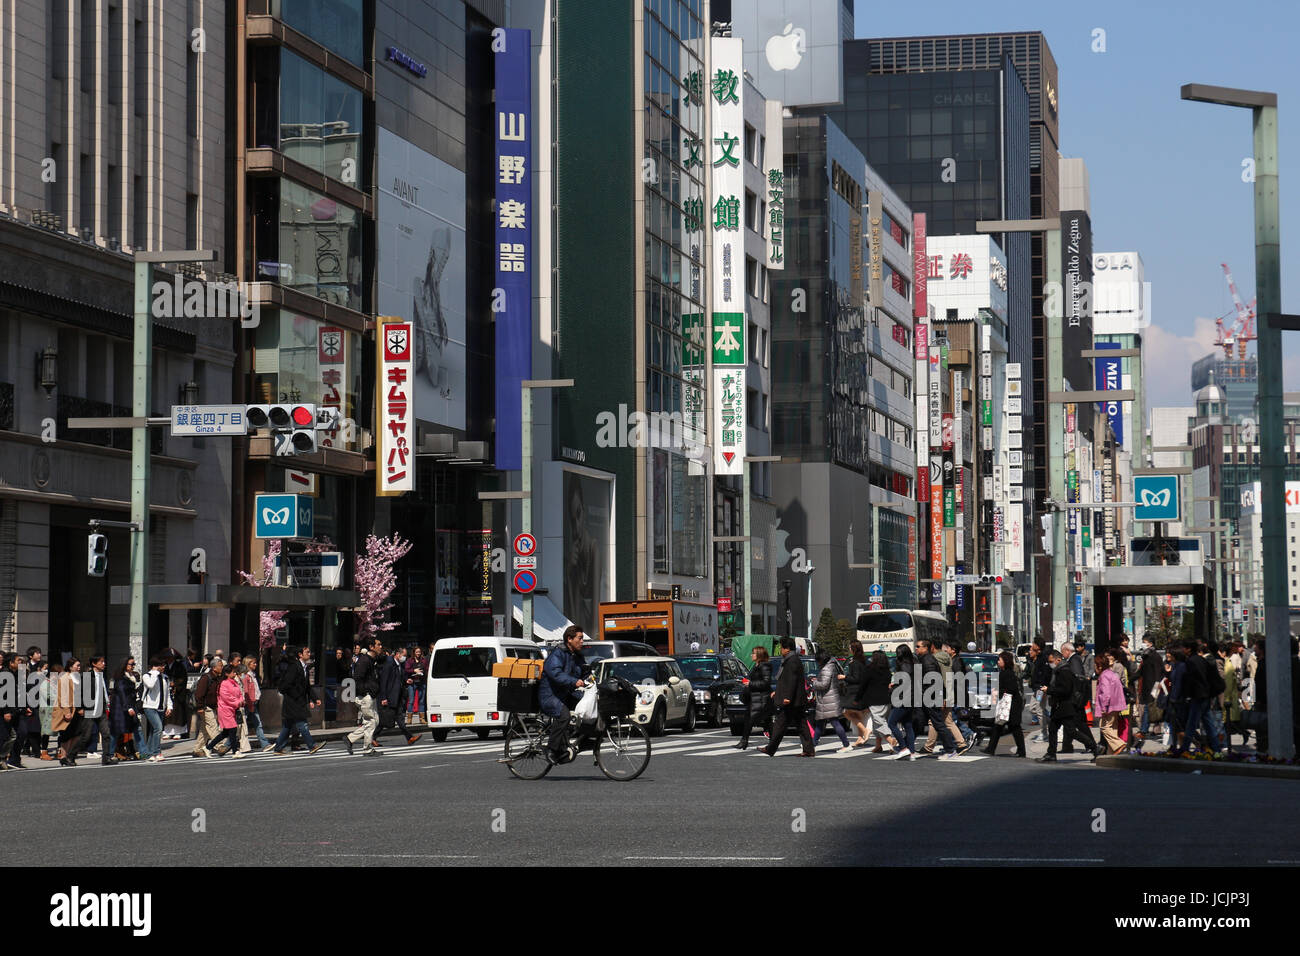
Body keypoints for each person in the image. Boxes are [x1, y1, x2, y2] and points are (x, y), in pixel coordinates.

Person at [539, 625, 589, 763]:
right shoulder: (558, 654)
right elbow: (556, 673)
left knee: (589, 706)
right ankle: (551, 749)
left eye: (582, 638)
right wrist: (574, 681)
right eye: (579, 638)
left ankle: (585, 740)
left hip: (565, 694)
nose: (582, 641)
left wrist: (591, 678)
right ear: (569, 639)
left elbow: (584, 672)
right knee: (564, 716)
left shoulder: (577, 655)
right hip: (550, 695)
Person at [1038, 650, 1098, 762]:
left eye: (1051, 661)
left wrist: (1049, 690)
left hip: (1065, 706)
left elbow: (1065, 690)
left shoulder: (1064, 671)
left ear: (1058, 660)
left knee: (1071, 731)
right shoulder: (1058, 670)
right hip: (1059, 706)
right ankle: (1051, 753)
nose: (1050, 664)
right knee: (1053, 729)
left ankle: (1095, 747)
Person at [762, 637, 814, 757]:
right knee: (801, 724)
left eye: (781, 647)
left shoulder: (791, 661)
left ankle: (770, 748)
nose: (780, 650)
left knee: (780, 724)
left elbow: (791, 681)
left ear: (787, 649)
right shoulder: (792, 659)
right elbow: (786, 680)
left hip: (792, 700)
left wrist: (787, 697)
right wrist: (778, 692)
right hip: (796, 699)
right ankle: (808, 750)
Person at [270, 646, 327, 756]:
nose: (309, 654)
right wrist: (295, 695)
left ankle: (278, 748)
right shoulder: (294, 667)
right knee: (302, 723)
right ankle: (312, 746)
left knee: (287, 726)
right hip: (293, 701)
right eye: (307, 652)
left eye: (309, 652)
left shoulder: (305, 668)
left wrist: (315, 698)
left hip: (297, 700)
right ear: (300, 655)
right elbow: (287, 684)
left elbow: (307, 687)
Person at [983, 651, 1025, 757]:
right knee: (999, 725)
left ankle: (1021, 751)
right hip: (1009, 703)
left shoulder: (1007, 673)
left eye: (1000, 660)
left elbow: (1011, 689)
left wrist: (998, 692)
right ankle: (991, 748)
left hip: (1012, 704)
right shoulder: (1005, 672)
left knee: (1014, 727)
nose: (998, 662)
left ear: (1005, 661)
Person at [377, 644, 421, 745]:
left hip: (397, 696)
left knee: (398, 718)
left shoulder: (399, 664)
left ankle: (409, 738)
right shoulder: (389, 663)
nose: (404, 657)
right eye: (403, 655)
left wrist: (406, 680)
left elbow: (401, 677)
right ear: (398, 654)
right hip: (390, 696)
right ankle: (373, 737)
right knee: (386, 720)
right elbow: (384, 681)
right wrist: (384, 697)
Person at [346, 638, 382, 756]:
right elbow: (357, 678)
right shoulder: (364, 660)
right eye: (378, 644)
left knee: (374, 721)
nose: (380, 647)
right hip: (365, 696)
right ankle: (367, 749)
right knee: (371, 722)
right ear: (371, 647)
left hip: (370, 695)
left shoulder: (372, 660)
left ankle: (350, 738)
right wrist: (366, 693)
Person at [809, 651, 850, 751]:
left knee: (834, 722)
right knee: (820, 723)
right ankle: (813, 743)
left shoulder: (826, 668)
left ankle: (846, 744)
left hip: (828, 699)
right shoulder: (832, 665)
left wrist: (814, 683)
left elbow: (824, 684)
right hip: (830, 698)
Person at [79, 656, 116, 766]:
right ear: (94, 664)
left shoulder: (102, 675)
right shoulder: (87, 676)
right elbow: (79, 693)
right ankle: (70, 756)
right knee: (86, 736)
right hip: (90, 709)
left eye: (104, 661)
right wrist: (80, 708)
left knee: (106, 734)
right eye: (101, 662)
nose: (104, 664)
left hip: (102, 709)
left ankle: (106, 758)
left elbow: (104, 690)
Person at [734, 646, 772, 750]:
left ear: (759, 655)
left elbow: (766, 682)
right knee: (764, 721)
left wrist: (750, 683)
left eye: (754, 653)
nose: (751, 655)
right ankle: (745, 741)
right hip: (755, 698)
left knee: (752, 720)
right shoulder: (756, 666)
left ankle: (744, 741)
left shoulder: (764, 666)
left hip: (761, 699)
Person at [887, 644, 920, 760]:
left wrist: (893, 688)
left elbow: (903, 684)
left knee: (891, 723)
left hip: (903, 698)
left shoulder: (904, 666)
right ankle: (911, 752)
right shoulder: (914, 663)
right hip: (912, 698)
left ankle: (903, 747)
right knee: (908, 725)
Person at [52, 658, 85, 766]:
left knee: (76, 733)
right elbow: (63, 696)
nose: (79, 667)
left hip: (76, 709)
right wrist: (67, 711)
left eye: (79, 665)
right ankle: (64, 756)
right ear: (70, 667)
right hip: (67, 710)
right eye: (77, 665)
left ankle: (69, 755)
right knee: (67, 734)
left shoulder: (78, 678)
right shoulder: (65, 678)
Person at [140, 655, 173, 761]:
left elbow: (167, 693)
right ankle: (157, 752)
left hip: (161, 707)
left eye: (164, 665)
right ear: (155, 666)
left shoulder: (165, 677)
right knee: (158, 728)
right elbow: (150, 685)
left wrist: (169, 706)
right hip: (149, 706)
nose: (163, 667)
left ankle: (149, 753)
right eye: (161, 665)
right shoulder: (147, 676)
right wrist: (154, 672)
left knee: (153, 730)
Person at [1095, 652, 1128, 758]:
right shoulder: (1112, 674)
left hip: (1109, 706)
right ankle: (1112, 751)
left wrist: (1104, 707)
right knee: (1113, 728)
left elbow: (1106, 693)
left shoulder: (1104, 676)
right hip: (1117, 705)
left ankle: (1119, 744)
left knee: (1104, 727)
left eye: (1096, 665)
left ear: (1100, 666)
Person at [862, 650, 895, 753]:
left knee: (879, 722)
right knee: (879, 722)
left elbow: (863, 685)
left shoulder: (870, 670)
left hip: (875, 700)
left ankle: (891, 741)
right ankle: (878, 745)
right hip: (887, 700)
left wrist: (859, 699)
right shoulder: (887, 671)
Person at [191, 657, 223, 757]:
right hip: (205, 707)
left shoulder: (217, 678)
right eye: (220, 666)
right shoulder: (206, 678)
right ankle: (219, 746)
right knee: (213, 726)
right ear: (214, 667)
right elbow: (199, 694)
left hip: (212, 707)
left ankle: (197, 749)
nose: (222, 668)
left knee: (204, 730)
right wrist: (200, 707)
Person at [211, 665, 245, 758]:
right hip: (225, 709)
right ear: (226, 673)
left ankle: (208, 747)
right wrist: (238, 702)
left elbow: (239, 694)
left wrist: (241, 701)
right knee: (233, 729)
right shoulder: (224, 683)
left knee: (226, 733)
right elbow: (227, 698)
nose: (235, 673)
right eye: (233, 672)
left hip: (232, 709)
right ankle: (235, 751)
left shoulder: (234, 682)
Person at [838, 643, 869, 746]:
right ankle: (860, 737)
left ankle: (864, 731)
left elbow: (856, 678)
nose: (849, 649)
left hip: (853, 692)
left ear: (853, 649)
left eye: (850, 647)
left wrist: (844, 677)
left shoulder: (854, 663)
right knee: (857, 714)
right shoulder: (863, 661)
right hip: (861, 691)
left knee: (845, 712)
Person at [241, 660, 270, 750]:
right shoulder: (246, 676)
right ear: (248, 663)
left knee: (258, 724)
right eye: (253, 663)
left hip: (253, 702)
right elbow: (246, 691)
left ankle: (265, 744)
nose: (255, 664)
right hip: (248, 703)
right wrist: (250, 703)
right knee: (241, 725)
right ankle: (227, 745)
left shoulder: (253, 674)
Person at [164, 650, 190, 740]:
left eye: (170, 657)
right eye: (167, 658)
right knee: (168, 711)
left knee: (178, 712)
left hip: (178, 692)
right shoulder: (165, 666)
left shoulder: (179, 666)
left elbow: (183, 678)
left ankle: (178, 732)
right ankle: (168, 732)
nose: (168, 659)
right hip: (168, 690)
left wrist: (175, 683)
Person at [405, 645, 427, 724]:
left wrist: (423, 673)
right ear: (414, 652)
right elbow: (406, 669)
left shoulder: (424, 660)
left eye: (419, 652)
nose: (418, 653)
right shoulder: (409, 660)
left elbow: (427, 669)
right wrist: (414, 670)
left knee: (421, 701)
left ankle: (422, 719)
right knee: (411, 700)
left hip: (422, 682)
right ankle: (409, 719)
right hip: (412, 682)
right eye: (417, 652)